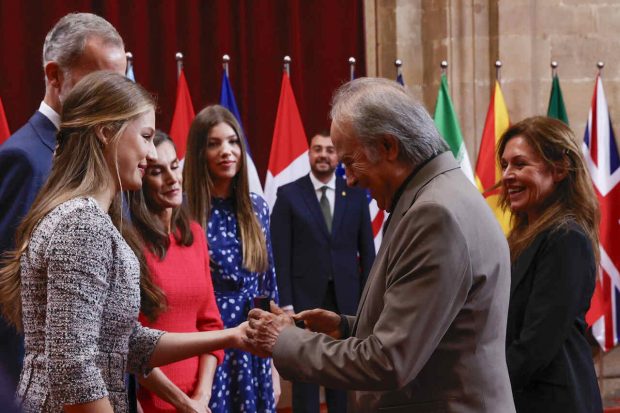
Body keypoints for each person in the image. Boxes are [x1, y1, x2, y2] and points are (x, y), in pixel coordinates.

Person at [246, 77, 516, 413]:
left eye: (349, 162)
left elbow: (389, 361)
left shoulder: (434, 214)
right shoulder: (439, 193)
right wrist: (346, 328)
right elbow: (432, 327)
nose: (350, 179)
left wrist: (284, 341)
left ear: (388, 147)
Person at [0, 72, 248, 413]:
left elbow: (123, 342)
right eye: (145, 136)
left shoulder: (90, 218)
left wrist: (231, 336)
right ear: (105, 132)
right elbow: (74, 371)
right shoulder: (82, 224)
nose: (149, 152)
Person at [0, 12, 127, 390]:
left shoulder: (104, 154)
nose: (114, 97)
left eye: (117, 83)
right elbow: (15, 294)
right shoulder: (24, 158)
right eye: (99, 81)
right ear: (55, 76)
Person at [498, 116, 603, 412]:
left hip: (555, 402)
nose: (507, 175)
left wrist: (484, 386)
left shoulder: (566, 238)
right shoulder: (522, 237)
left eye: (520, 164)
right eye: (504, 165)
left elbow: (536, 343)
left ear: (559, 169)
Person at [183, 105, 280, 413]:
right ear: (199, 152)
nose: (227, 151)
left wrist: (274, 364)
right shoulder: (184, 211)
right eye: (214, 143)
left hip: (253, 342)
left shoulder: (257, 207)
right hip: (207, 345)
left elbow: (267, 288)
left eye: (233, 141)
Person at [270, 132, 375, 413]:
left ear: (337, 156)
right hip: (304, 301)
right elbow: (280, 254)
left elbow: (367, 252)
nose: (323, 155)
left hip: (346, 301)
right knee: (305, 373)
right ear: (309, 154)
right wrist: (286, 302)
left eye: (329, 150)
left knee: (341, 373)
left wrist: (368, 299)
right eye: (317, 149)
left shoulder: (356, 193)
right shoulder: (289, 194)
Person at [128, 131, 225, 412]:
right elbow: (128, 343)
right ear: (141, 180)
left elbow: (210, 324)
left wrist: (201, 397)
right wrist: (182, 402)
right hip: (150, 403)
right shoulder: (130, 244)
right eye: (158, 171)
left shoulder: (194, 234)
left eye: (175, 166)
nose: (172, 179)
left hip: (200, 402)